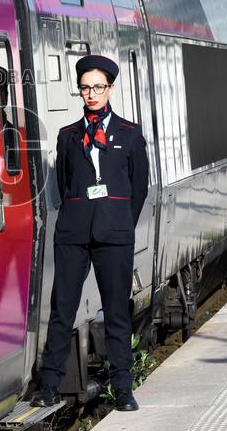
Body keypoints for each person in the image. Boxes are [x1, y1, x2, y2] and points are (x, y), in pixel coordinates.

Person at [33, 54, 149, 412]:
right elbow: (65, 183)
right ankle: (49, 384)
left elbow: (139, 188)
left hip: (114, 234)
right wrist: (80, 214)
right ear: (80, 91)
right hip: (73, 233)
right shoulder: (68, 137)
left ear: (111, 88)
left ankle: (123, 388)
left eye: (98, 87)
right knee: (61, 309)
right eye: (85, 88)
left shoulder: (129, 135)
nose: (92, 94)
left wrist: (119, 222)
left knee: (116, 310)